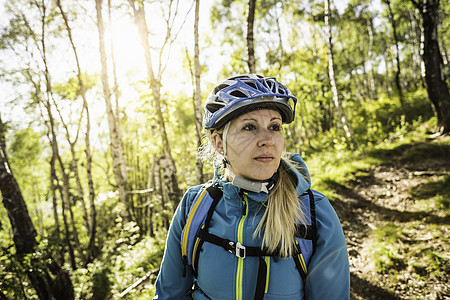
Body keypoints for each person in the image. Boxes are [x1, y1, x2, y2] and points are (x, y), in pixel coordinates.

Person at [153, 74, 350, 299]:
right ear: (219, 143)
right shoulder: (195, 206)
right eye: (249, 127)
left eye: (274, 127)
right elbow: (169, 295)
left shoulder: (315, 212)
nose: (267, 139)